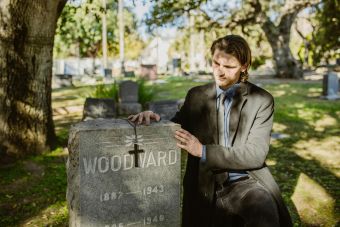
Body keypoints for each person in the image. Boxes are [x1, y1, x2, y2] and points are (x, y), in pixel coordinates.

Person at [128, 35, 292, 227]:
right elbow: (175, 128)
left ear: (244, 66)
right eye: (216, 63)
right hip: (204, 183)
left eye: (229, 67)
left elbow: (255, 154)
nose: (219, 72)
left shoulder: (261, 100)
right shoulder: (196, 95)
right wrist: (154, 119)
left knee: (264, 215)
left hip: (245, 181)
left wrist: (203, 151)